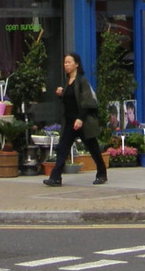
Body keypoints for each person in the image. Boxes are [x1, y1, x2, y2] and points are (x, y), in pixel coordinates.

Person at [43, 51, 107, 186]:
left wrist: (80, 119)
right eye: (65, 63)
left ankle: (102, 173)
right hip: (69, 122)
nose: (66, 65)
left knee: (93, 148)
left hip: (82, 122)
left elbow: (87, 102)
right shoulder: (67, 82)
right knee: (62, 148)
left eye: (69, 62)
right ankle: (55, 177)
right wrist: (61, 94)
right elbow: (70, 101)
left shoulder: (82, 80)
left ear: (76, 64)